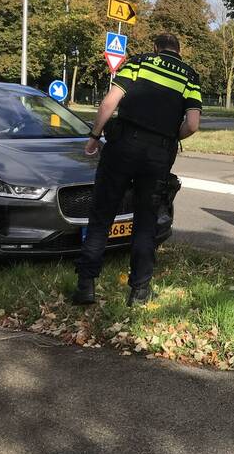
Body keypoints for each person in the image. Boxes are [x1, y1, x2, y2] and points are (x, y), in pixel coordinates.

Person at [72, 33, 201, 306]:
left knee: (102, 215)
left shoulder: (139, 63)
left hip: (123, 145)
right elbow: (192, 124)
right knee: (146, 220)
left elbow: (109, 103)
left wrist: (94, 138)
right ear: (179, 51)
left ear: (155, 48)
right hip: (158, 154)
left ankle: (86, 286)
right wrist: (169, 136)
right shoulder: (190, 76)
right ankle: (139, 291)